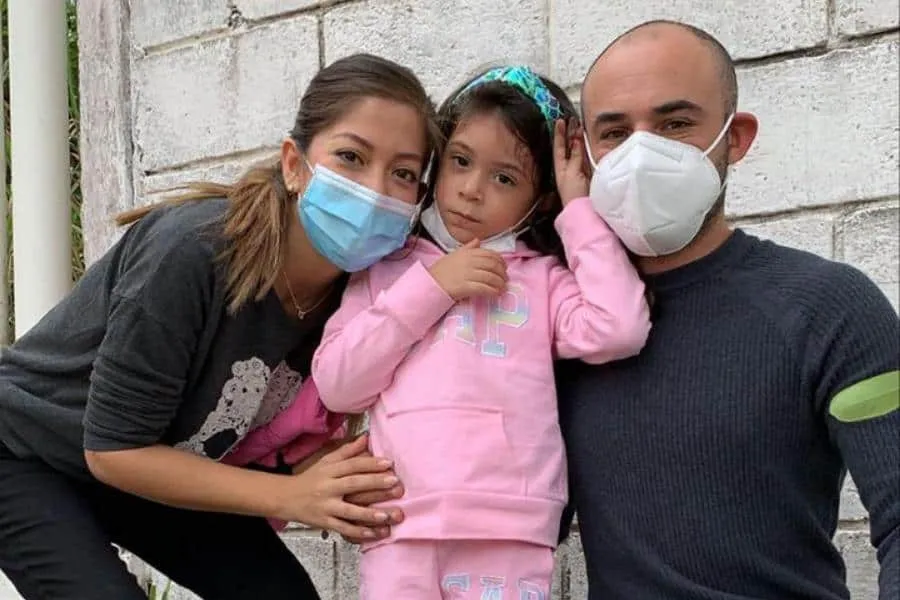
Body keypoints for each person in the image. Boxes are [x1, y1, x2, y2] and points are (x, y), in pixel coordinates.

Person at [0, 53, 442, 600]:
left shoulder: (363, 292)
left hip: (148, 463)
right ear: (294, 164)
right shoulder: (191, 254)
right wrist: (292, 497)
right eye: (351, 156)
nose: (374, 190)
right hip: (26, 448)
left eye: (402, 173)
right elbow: (112, 451)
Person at [557, 20, 899, 599]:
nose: (643, 151)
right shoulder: (563, 325)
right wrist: (346, 482)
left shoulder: (830, 308)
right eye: (614, 132)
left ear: (735, 137)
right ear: (584, 155)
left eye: (675, 124)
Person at [312, 65, 651, 599]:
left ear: (539, 200)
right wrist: (433, 288)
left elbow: (619, 328)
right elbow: (338, 384)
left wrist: (579, 208)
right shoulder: (386, 269)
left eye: (504, 178)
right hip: (400, 524)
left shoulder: (540, 280)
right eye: (460, 162)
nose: (471, 191)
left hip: (509, 526)